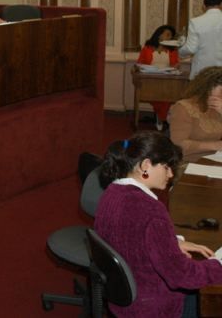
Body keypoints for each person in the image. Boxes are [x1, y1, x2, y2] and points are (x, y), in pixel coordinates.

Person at [94, 131, 222, 318]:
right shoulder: (151, 211)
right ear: (146, 165)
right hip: (155, 309)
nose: (171, 174)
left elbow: (127, 235)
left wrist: (171, 241)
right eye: (167, 167)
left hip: (123, 302)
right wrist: (218, 266)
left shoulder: (111, 192)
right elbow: (181, 276)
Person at [168, 66, 222, 166]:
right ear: (208, 89)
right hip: (190, 163)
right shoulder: (184, 108)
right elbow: (178, 144)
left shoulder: (219, 108)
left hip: (215, 161)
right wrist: (215, 146)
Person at [137, 24, 180, 130]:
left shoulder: (172, 50)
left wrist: (175, 67)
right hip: (151, 80)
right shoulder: (147, 48)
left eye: (171, 36)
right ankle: (163, 115)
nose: (169, 38)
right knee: (154, 95)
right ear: (159, 35)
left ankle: (160, 117)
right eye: (167, 35)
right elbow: (140, 63)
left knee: (168, 96)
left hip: (167, 80)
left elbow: (176, 65)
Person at [178, 0, 222, 79]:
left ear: (204, 5)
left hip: (202, 73)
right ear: (221, 4)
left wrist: (180, 51)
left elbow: (191, 48)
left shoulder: (196, 22)